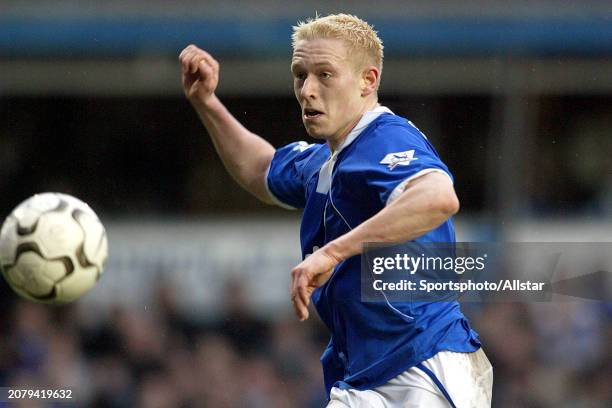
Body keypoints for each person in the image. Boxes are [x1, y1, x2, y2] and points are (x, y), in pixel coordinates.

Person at [179, 13, 492, 408]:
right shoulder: (323, 162)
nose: (307, 89)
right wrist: (206, 103)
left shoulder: (385, 139)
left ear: (368, 81)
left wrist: (332, 251)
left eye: (325, 74)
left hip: (422, 366)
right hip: (365, 374)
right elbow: (260, 169)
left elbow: (437, 197)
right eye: (300, 74)